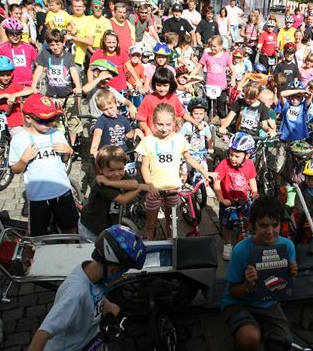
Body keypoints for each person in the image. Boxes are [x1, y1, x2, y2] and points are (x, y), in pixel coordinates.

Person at [23, 225, 146, 351]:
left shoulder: (91, 273)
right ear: (112, 270)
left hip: (91, 343)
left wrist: (107, 304)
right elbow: (42, 334)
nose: (121, 277)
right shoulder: (75, 292)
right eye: (121, 273)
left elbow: (94, 290)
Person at [220, 195, 298, 351]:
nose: (270, 232)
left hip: (269, 304)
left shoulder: (288, 246)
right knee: (249, 339)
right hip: (238, 304)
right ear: (253, 224)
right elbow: (232, 291)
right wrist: (248, 285)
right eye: (263, 225)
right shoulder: (240, 250)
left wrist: (291, 273)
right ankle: (242, 344)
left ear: (280, 224)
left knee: (283, 345)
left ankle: (262, 334)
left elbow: (285, 285)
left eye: (275, 225)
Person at [136, 103, 216, 240]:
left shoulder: (179, 139)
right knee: (151, 224)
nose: (164, 128)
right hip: (155, 189)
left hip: (174, 189)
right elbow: (144, 166)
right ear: (153, 123)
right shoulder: (148, 141)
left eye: (168, 124)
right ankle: (146, 252)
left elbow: (188, 158)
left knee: (171, 223)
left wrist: (204, 171)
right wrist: (149, 184)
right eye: (160, 124)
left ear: (174, 123)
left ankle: (171, 248)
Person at [8, 94, 78, 236]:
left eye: (52, 119)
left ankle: (70, 251)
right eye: (43, 120)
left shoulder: (57, 133)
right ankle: (32, 257)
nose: (49, 124)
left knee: (70, 228)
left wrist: (68, 152)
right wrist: (23, 160)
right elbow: (15, 169)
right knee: (36, 234)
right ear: (28, 118)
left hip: (62, 192)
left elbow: (64, 160)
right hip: (38, 197)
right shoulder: (19, 140)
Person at [78, 147, 149, 239]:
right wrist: (140, 188)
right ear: (100, 169)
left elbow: (134, 184)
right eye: (111, 170)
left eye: (120, 169)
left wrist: (110, 182)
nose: (117, 173)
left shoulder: (118, 176)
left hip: (108, 225)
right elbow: (122, 200)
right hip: (92, 227)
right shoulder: (100, 183)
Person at [32, 29, 83, 146]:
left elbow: (73, 71)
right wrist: (34, 85)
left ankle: (71, 145)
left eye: (57, 44)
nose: (55, 47)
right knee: (52, 120)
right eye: (52, 44)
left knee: (72, 121)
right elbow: (39, 69)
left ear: (63, 43)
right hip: (52, 95)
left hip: (68, 95)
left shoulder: (68, 57)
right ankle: (54, 142)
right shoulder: (45, 54)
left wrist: (78, 86)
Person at [214, 132, 258, 260]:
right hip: (229, 202)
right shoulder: (224, 164)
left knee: (248, 218)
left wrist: (254, 193)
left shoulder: (249, 164)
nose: (232, 158)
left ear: (247, 155)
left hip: (244, 200)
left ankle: (247, 234)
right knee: (227, 224)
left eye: (237, 156)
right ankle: (227, 243)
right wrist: (221, 199)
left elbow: (252, 179)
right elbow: (216, 183)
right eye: (231, 154)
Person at [0, 56, 34, 137]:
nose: (6, 78)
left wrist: (14, 95)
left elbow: (31, 90)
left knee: (19, 140)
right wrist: (4, 95)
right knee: (1, 142)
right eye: (2, 75)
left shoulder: (14, 86)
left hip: (15, 121)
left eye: (8, 75)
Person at [89, 89, 135, 156]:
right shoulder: (101, 120)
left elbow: (129, 135)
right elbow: (97, 135)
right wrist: (94, 150)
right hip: (108, 153)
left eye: (111, 107)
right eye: (105, 109)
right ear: (100, 109)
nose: (110, 111)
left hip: (122, 152)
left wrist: (136, 131)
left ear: (116, 103)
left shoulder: (122, 119)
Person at [199, 35, 235, 118]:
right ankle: (210, 124)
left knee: (221, 109)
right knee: (210, 108)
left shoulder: (226, 55)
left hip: (221, 87)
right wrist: (191, 75)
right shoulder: (206, 55)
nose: (212, 48)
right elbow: (199, 66)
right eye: (211, 46)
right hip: (209, 86)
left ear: (220, 45)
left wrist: (233, 80)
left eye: (215, 46)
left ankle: (222, 127)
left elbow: (233, 71)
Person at [0, 18, 37, 86]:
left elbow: (39, 65)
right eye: (12, 34)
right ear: (7, 34)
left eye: (18, 33)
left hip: (27, 84)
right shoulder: (1, 49)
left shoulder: (29, 48)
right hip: (10, 84)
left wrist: (35, 81)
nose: (15, 36)